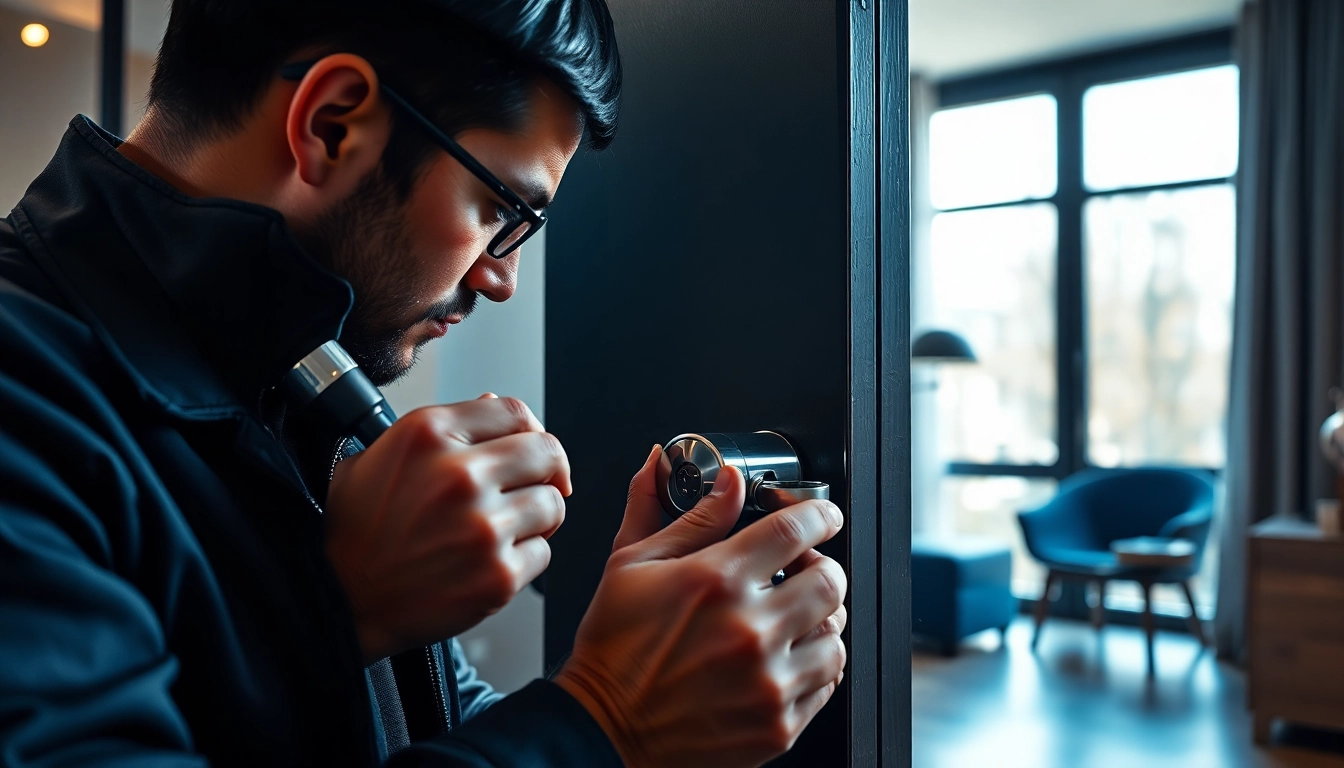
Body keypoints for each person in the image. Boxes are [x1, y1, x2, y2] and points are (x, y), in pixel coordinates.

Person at [0, 0, 848, 765]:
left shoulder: (293, 370)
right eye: (502, 212)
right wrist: (606, 722)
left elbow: (415, 730)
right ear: (333, 124)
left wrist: (645, 672)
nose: (499, 278)